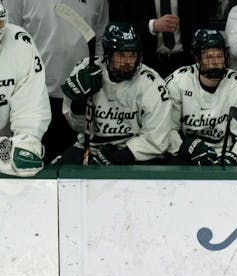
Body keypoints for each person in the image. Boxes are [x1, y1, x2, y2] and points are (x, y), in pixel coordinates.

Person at [4, 0, 108, 163]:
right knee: (30, 163)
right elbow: (8, 39)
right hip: (33, 100)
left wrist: (96, 78)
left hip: (81, 99)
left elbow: (101, 41)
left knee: (76, 168)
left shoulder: (99, 1)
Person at [57, 21, 172, 165]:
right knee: (58, 171)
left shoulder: (151, 83)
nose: (127, 62)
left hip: (134, 154)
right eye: (121, 55)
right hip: (90, 148)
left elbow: (157, 138)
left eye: (132, 55)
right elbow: (78, 127)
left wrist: (118, 157)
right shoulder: (86, 70)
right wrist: (78, 104)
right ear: (108, 54)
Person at [164, 29, 237, 166]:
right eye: (209, 57)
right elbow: (167, 129)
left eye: (219, 56)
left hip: (225, 156)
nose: (215, 62)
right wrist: (186, 148)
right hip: (188, 156)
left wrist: (233, 157)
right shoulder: (178, 81)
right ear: (197, 58)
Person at [0, 2, 50, 177]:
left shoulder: (19, 42)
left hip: (4, 144)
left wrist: (26, 140)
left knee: (26, 155)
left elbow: (31, 105)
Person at [109, 0, 220, 79]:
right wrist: (152, 26)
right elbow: (118, 26)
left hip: (186, 61)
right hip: (146, 63)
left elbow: (203, 21)